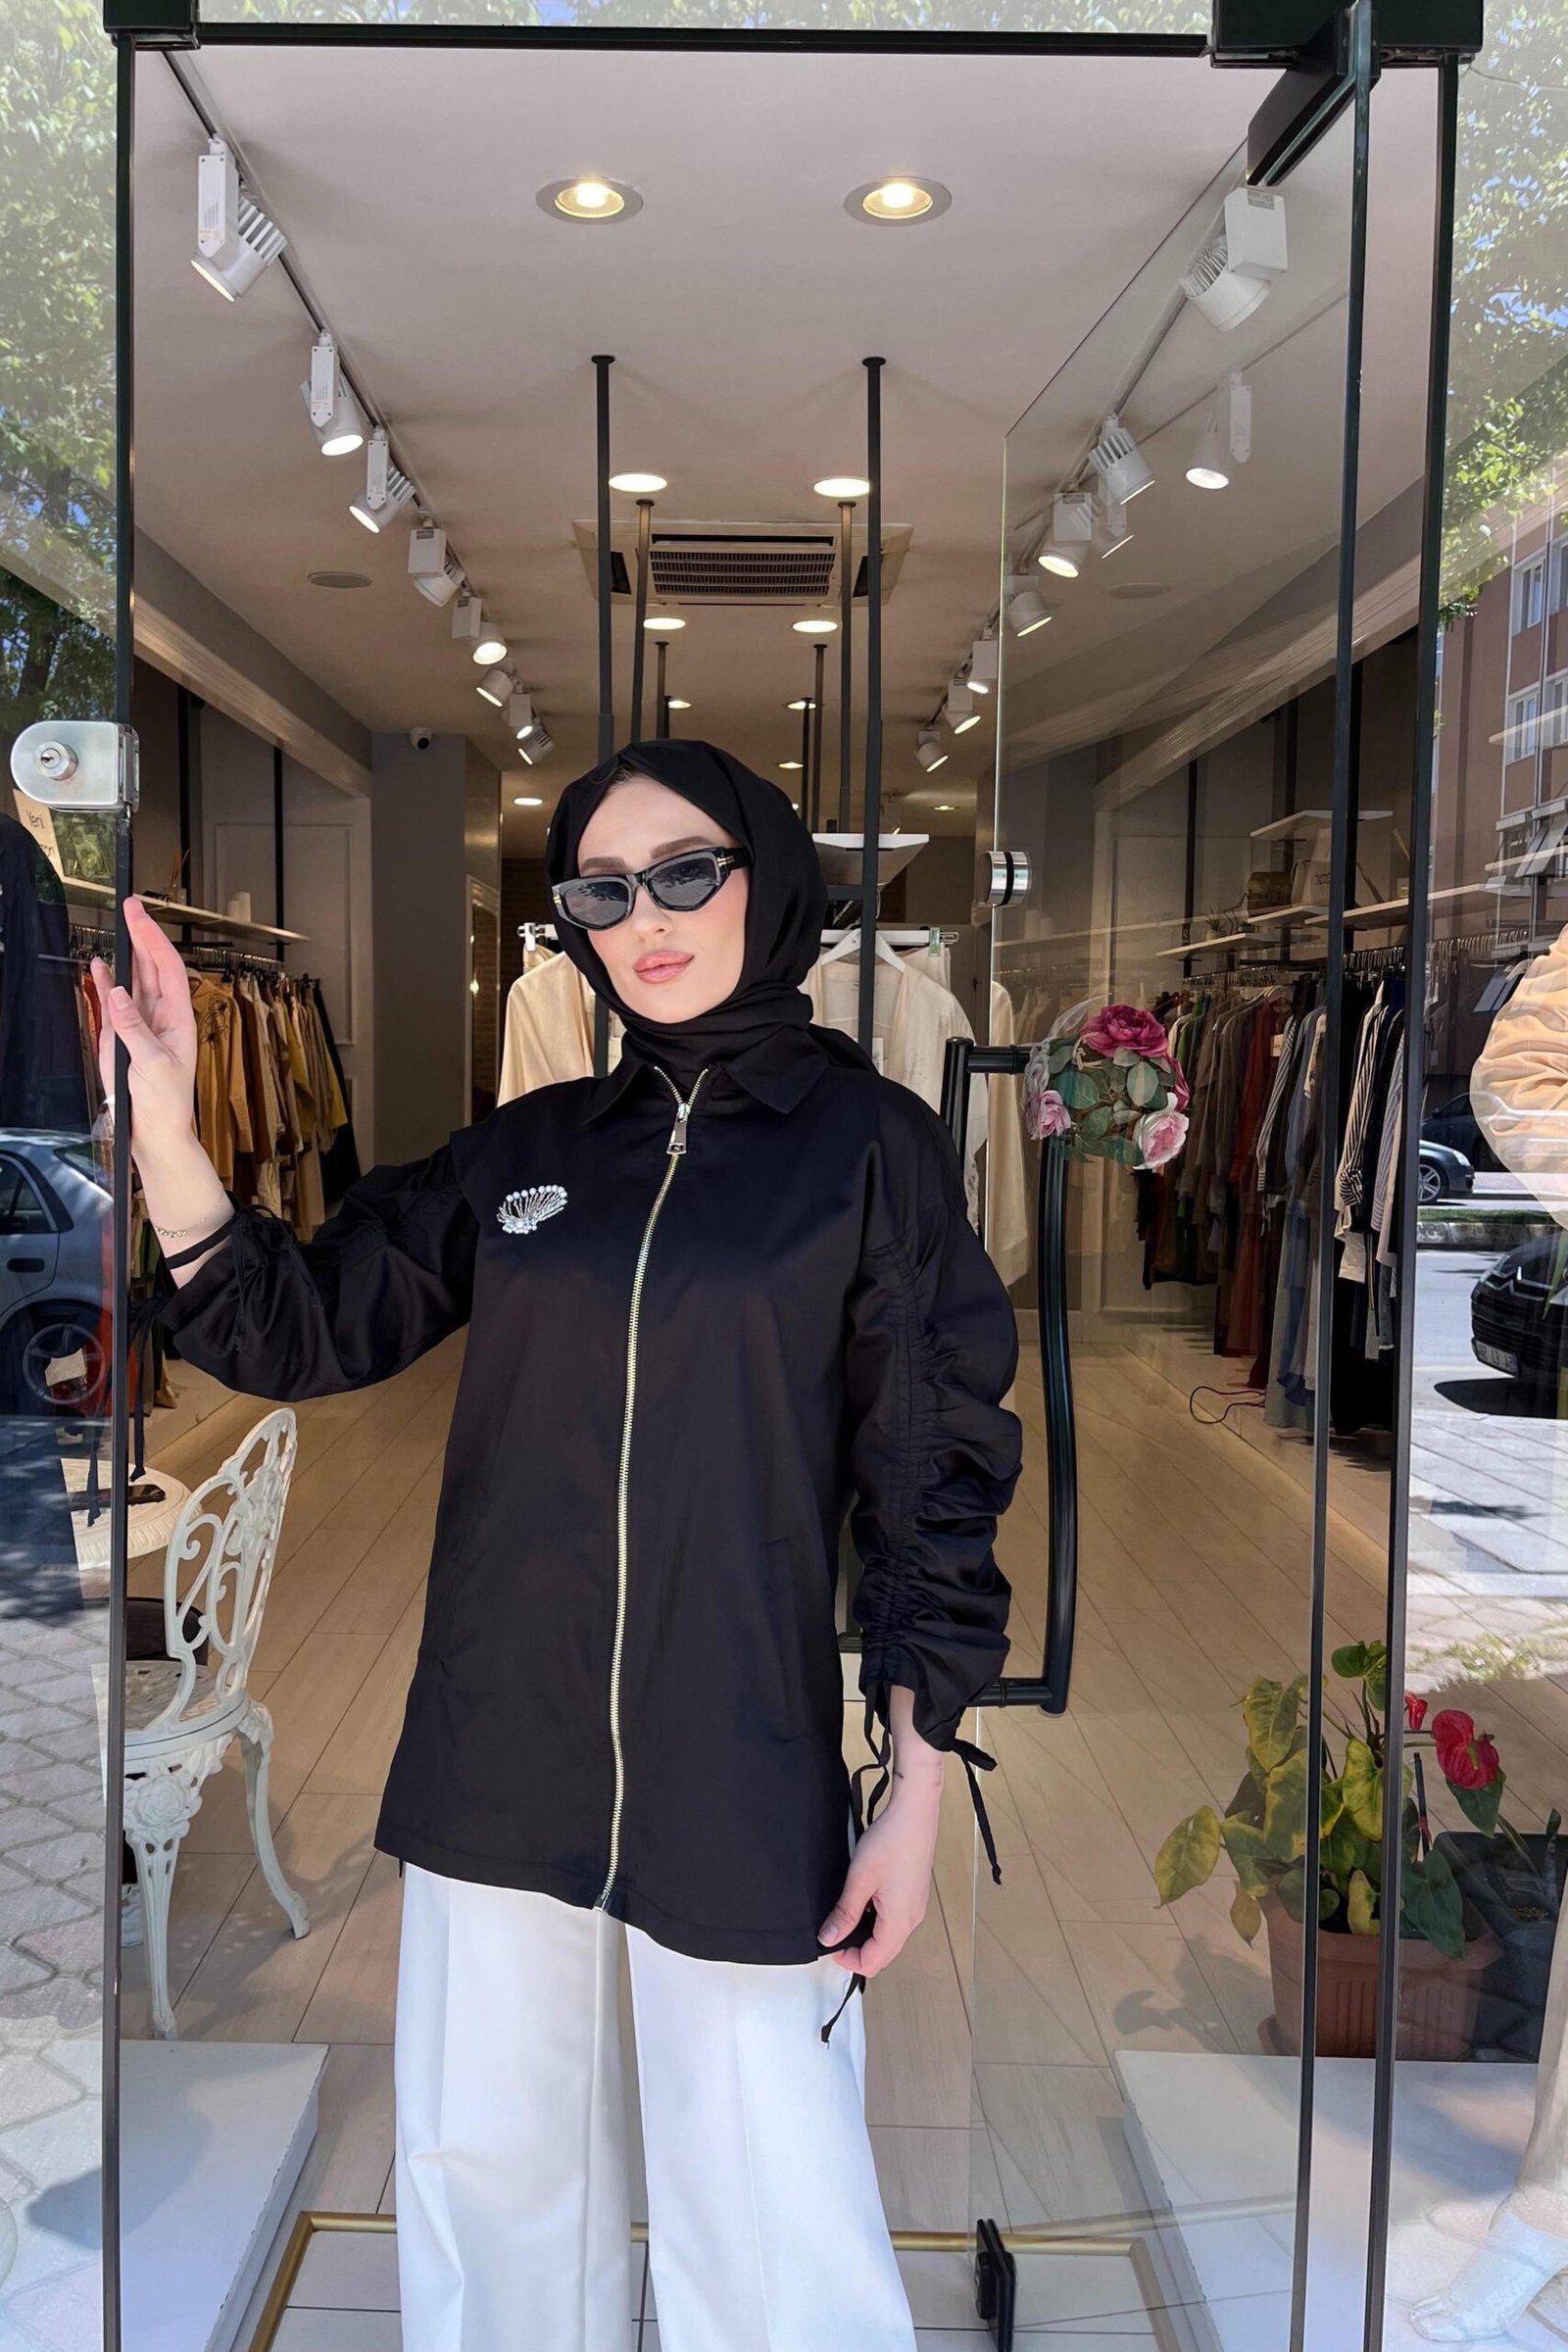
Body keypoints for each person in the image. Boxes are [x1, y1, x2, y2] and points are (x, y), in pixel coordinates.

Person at [93, 739, 1023, 2352]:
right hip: (503, 1729)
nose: (644, 919)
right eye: (602, 891)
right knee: (493, 2165)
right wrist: (170, 1129)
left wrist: (914, 1795)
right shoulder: (531, 1151)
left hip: (737, 1741)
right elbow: (301, 1325)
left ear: (768, 881)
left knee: (769, 2184)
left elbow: (932, 1480)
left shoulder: (870, 1149)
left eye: (686, 874)